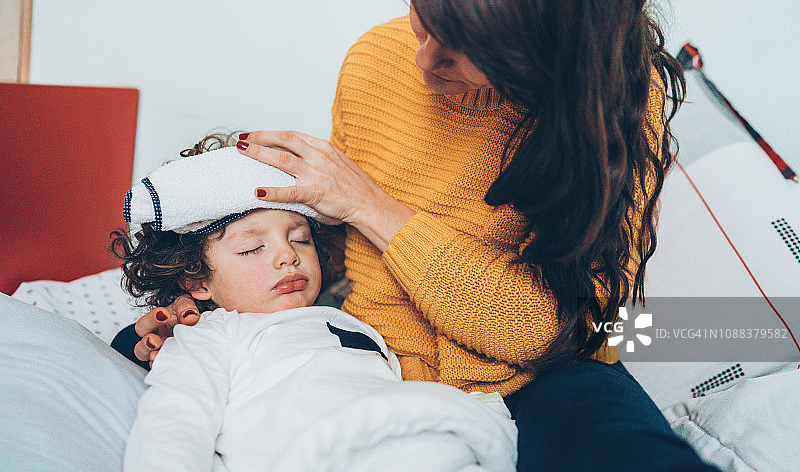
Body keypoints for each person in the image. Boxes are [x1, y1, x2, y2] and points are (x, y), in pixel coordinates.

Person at [123, 0, 720, 470]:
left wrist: (369, 204)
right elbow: (329, 252)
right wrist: (203, 306)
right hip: (379, 370)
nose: (423, 60)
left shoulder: (615, 103)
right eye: (425, 16)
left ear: (548, 60)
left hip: (541, 373)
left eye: (464, 51)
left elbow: (547, 329)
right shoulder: (374, 63)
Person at [112, 136, 517, 471]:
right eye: (253, 248)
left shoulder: (351, 317)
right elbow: (175, 420)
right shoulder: (211, 335)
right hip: (312, 452)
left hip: (413, 437)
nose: (287, 256)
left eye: (300, 238)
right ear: (197, 279)